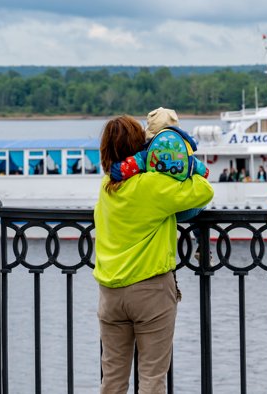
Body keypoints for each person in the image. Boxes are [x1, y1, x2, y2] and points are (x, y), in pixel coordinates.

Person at [93, 115, 214, 393]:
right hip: (150, 292)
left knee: (111, 379)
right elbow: (203, 190)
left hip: (110, 293)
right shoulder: (151, 185)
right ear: (140, 147)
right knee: (151, 378)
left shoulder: (106, 186)